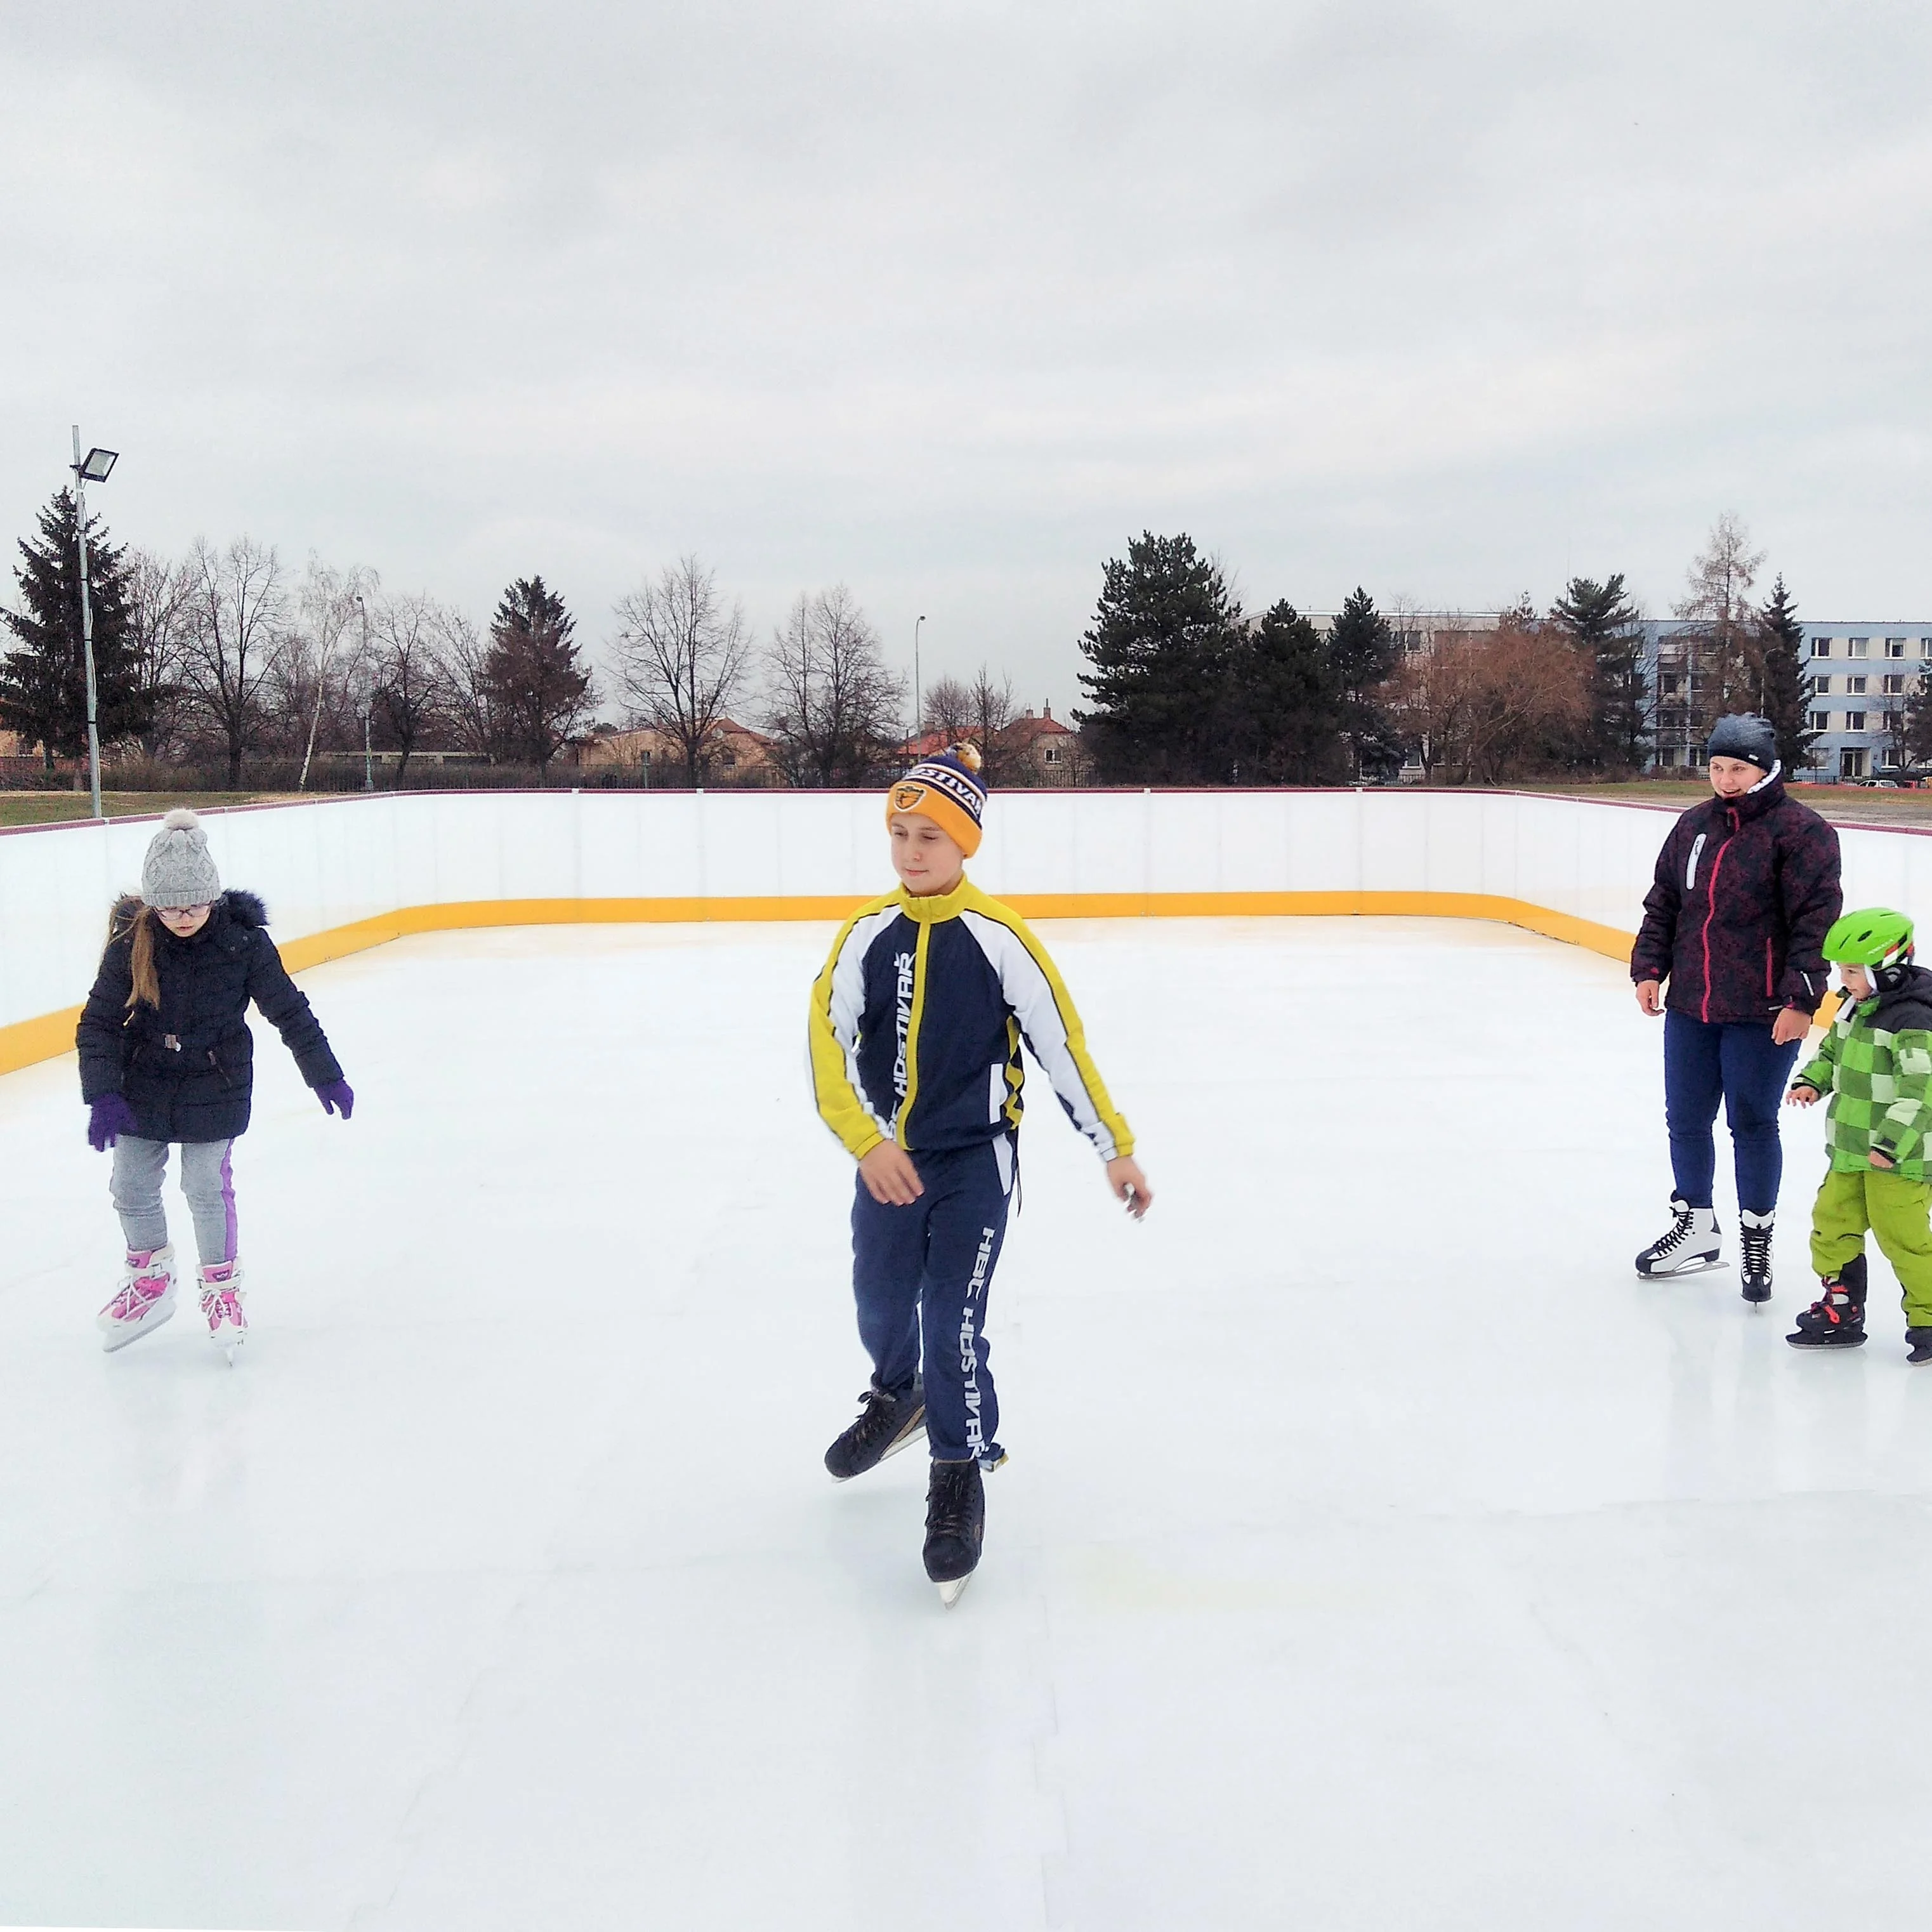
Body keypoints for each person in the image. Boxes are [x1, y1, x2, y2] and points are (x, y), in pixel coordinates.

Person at [808, 744, 1152, 1603]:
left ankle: (957, 1472)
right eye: (900, 833)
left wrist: (1112, 1146)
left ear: (965, 844)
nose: (912, 850)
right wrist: (867, 1141)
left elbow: (1061, 1047)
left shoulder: (1001, 941)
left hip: (976, 1163)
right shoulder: (864, 936)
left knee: (949, 1316)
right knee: (880, 1300)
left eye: (930, 835)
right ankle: (898, 1397)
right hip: (890, 1159)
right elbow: (825, 1041)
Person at [76, 809, 353, 1360]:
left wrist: (325, 1073)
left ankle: (223, 1291)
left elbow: (289, 1011)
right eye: (171, 906)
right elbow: (99, 1023)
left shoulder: (243, 944)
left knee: (205, 1185)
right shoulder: (132, 945)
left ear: (213, 897)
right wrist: (103, 1093)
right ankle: (150, 1277)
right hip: (145, 1077)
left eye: (195, 904)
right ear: (154, 903)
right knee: (129, 1184)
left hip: (216, 1077)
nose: (183, 916)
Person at [1630, 713, 1841, 1298]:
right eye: (1717, 766)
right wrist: (1649, 968)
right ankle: (1695, 1223)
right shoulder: (1693, 825)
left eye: (1737, 768)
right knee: (1686, 1120)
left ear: (1766, 768)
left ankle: (1756, 1239)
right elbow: (1664, 902)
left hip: (1764, 1008)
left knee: (1751, 1123)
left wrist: (1801, 1000)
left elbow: (1814, 923)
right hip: (1692, 1002)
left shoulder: (1802, 833)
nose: (1724, 778)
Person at [1785, 908, 1932, 1360]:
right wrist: (1811, 1080)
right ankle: (1842, 1308)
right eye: (1841, 970)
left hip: (1899, 1158)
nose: (1843, 978)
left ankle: (1928, 1317)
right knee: (1830, 1225)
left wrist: (1889, 1144)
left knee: (1904, 1240)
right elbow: (1831, 1050)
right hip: (1849, 1149)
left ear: (1885, 968)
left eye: (1852, 970)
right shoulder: (1854, 1006)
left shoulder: (1912, 1020)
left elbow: (1920, 1092)